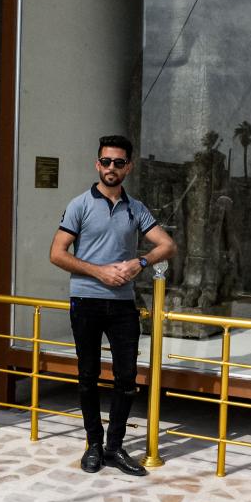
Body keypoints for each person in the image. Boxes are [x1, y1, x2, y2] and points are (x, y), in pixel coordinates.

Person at [50, 135, 176, 476]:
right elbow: (57, 253)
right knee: (87, 376)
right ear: (97, 164)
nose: (111, 168)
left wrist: (140, 262)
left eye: (118, 163)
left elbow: (167, 245)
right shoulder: (79, 205)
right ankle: (93, 445)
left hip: (122, 305)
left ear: (128, 167)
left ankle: (115, 447)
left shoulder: (136, 208)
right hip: (86, 301)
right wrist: (99, 271)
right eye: (106, 161)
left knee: (126, 378)